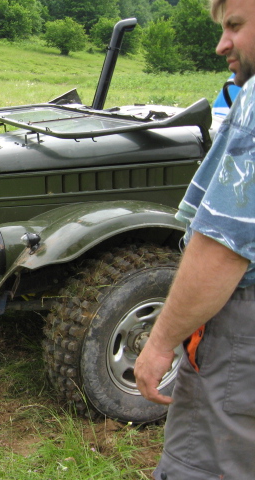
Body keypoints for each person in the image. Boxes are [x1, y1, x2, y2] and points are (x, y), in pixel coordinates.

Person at [134, 0, 255, 478]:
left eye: (235, 25)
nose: (222, 43)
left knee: (206, 464)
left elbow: (224, 245)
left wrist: (160, 341)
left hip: (240, 334)